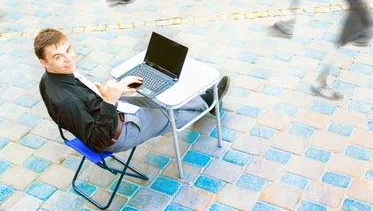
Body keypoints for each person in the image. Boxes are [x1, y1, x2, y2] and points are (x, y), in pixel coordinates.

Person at [35, 28, 230, 154]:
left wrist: (113, 91)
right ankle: (208, 103)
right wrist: (110, 101)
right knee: (170, 112)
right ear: (44, 62)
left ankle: (204, 99)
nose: (69, 59)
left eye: (68, 50)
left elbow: (83, 103)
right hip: (116, 134)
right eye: (58, 57)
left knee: (155, 98)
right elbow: (97, 142)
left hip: (109, 111)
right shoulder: (67, 101)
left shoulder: (50, 78)